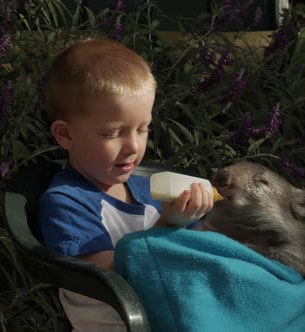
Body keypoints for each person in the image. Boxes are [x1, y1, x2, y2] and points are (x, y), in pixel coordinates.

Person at [38, 38, 214, 332]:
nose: (133, 146)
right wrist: (170, 226)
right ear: (65, 135)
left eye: (143, 128)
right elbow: (114, 278)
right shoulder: (66, 202)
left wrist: (196, 221)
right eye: (112, 134)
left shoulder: (148, 191)